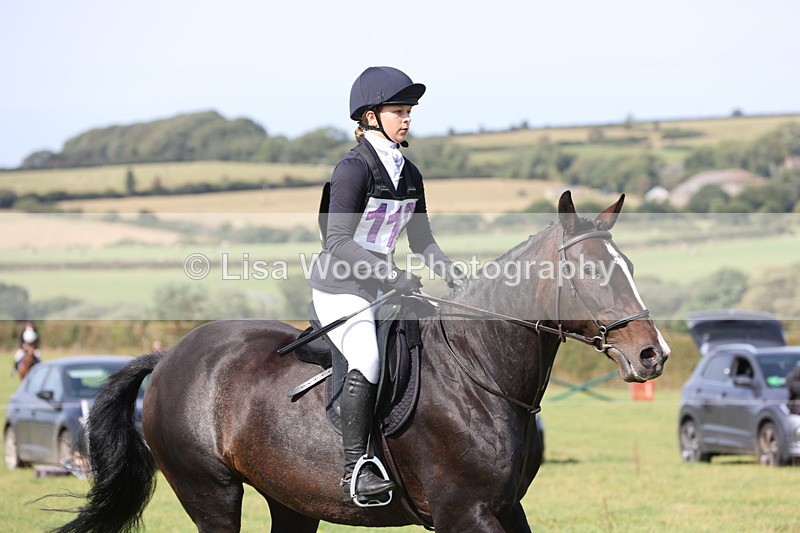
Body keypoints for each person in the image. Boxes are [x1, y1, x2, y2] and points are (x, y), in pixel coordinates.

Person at [308, 66, 462, 501]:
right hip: (341, 288)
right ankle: (355, 466)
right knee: (368, 357)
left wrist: (455, 276)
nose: (407, 118)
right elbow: (337, 239)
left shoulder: (409, 173)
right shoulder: (354, 169)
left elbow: (423, 241)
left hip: (385, 290)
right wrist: (388, 274)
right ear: (371, 116)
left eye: (409, 110)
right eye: (398, 110)